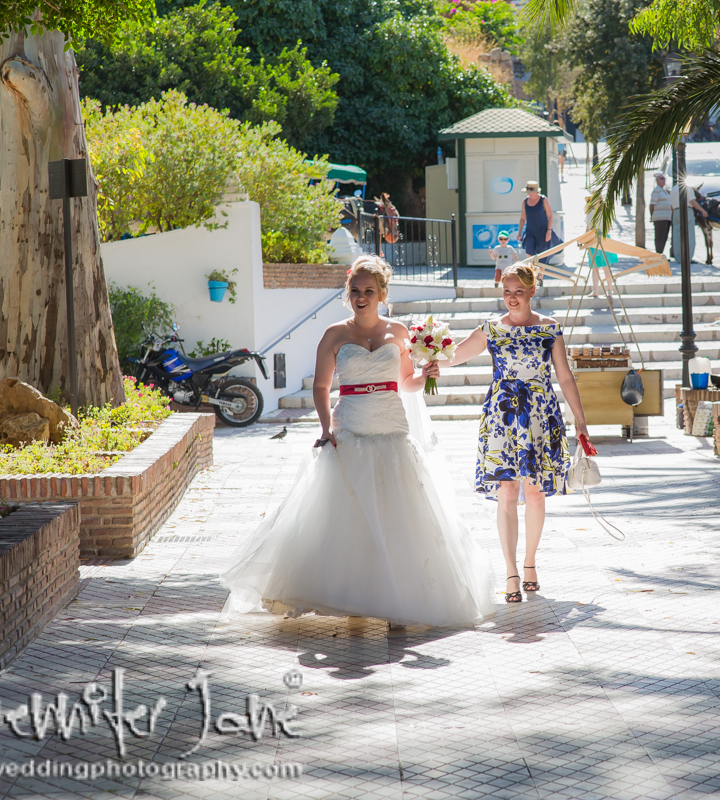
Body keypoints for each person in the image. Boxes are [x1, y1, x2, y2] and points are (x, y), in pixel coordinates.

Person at [220, 255, 495, 628]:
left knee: (397, 514)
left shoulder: (399, 333)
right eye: (355, 290)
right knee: (350, 515)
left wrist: (429, 374)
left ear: (382, 293)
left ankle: (401, 599)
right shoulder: (334, 334)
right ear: (348, 293)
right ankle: (352, 597)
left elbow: (406, 383)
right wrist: (324, 428)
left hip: (391, 426)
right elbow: (320, 387)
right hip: (349, 425)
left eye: (369, 290)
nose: (361, 296)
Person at [444, 263, 594, 603]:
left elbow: (565, 377)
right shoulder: (491, 329)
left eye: (518, 292)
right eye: (507, 292)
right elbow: (457, 355)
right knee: (507, 491)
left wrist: (580, 421)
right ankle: (510, 571)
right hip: (502, 417)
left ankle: (530, 564)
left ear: (531, 291)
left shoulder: (550, 328)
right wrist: (429, 356)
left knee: (536, 492)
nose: (512, 298)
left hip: (541, 416)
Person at [518, 180, 554, 258]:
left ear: (537, 191)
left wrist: (549, 231)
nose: (529, 193)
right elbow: (523, 218)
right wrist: (519, 232)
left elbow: (550, 217)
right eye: (528, 191)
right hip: (530, 232)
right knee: (529, 254)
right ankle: (530, 270)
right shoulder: (525, 201)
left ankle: (540, 270)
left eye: (531, 191)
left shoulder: (543, 200)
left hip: (542, 232)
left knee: (541, 258)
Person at [649, 172, 673, 255]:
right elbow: (652, 205)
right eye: (661, 178)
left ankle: (661, 252)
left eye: (664, 178)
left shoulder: (664, 191)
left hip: (667, 217)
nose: (663, 180)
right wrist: (652, 216)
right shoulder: (656, 191)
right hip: (659, 218)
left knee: (665, 236)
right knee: (659, 236)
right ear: (657, 181)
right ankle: (658, 253)